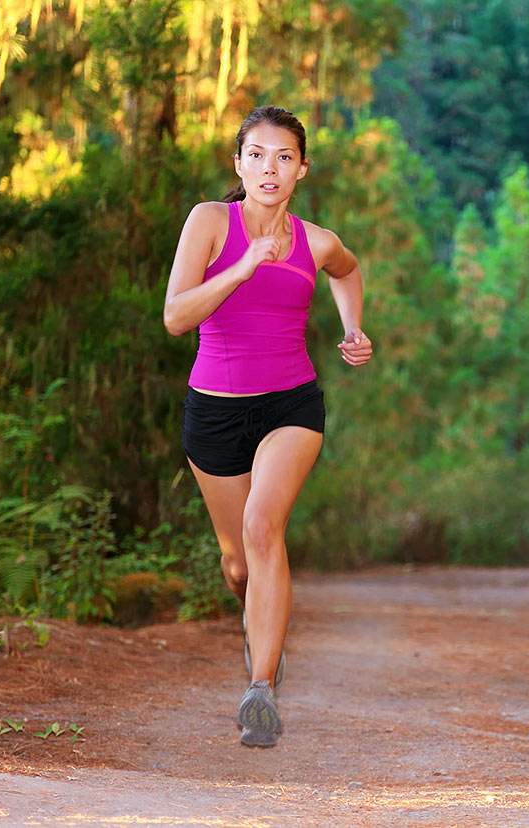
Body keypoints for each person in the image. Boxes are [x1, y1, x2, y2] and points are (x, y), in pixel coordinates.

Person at [163, 105, 372, 747]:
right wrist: (244, 265)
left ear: (302, 169)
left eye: (283, 157)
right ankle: (259, 624)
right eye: (256, 154)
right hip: (215, 409)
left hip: (291, 405)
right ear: (238, 163)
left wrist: (352, 326)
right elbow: (175, 317)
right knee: (237, 562)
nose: (269, 168)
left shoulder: (317, 241)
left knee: (264, 525)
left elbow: (348, 270)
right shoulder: (208, 222)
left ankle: (260, 688)